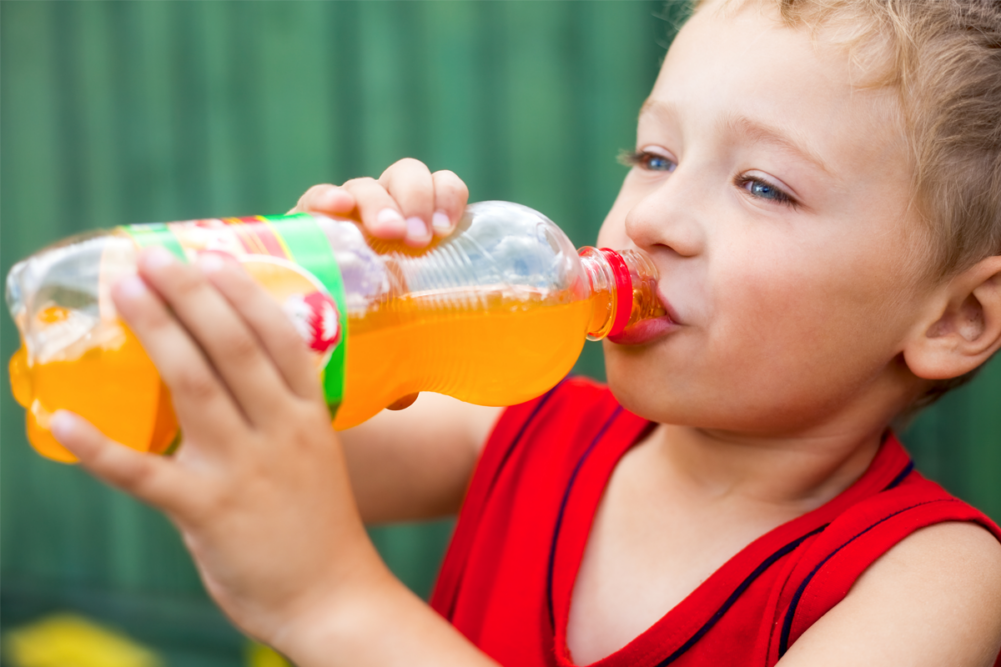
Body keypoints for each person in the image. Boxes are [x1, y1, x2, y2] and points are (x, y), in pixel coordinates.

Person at [48, 0, 1001, 664]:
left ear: (956, 317)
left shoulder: (937, 580)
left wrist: (331, 607)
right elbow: (254, 454)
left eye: (763, 185)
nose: (655, 216)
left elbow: (310, 575)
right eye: (655, 154)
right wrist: (344, 302)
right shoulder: (521, 422)